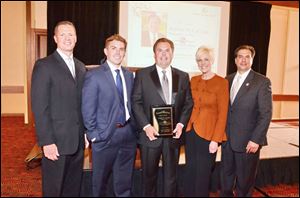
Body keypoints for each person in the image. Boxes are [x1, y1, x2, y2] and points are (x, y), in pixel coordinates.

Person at [31, 21, 87, 197]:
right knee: (54, 190)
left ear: (76, 38)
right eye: (62, 34)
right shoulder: (44, 65)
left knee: (72, 188)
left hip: (77, 141)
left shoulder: (81, 66)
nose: (67, 38)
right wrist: (46, 141)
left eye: (71, 34)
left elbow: (82, 103)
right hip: (55, 142)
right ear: (55, 38)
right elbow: (40, 107)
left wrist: (84, 132)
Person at [132, 38, 194, 197]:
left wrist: (180, 124)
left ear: (172, 53)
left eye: (167, 50)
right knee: (148, 177)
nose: (164, 54)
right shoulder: (142, 74)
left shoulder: (183, 76)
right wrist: (146, 126)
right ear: (154, 54)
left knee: (171, 178)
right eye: (160, 50)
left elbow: (188, 103)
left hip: (173, 135)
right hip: (150, 136)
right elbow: (135, 102)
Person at [82, 34, 137, 197]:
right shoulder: (94, 75)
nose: (118, 52)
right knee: (100, 182)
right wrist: (93, 134)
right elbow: (87, 108)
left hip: (128, 134)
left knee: (124, 182)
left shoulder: (128, 75)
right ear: (106, 51)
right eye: (114, 48)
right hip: (104, 136)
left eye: (121, 49)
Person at [220, 45, 273, 197]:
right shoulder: (227, 80)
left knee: (244, 183)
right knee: (226, 180)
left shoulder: (262, 82)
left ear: (252, 59)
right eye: (240, 57)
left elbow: (266, 114)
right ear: (235, 60)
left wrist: (256, 140)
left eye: (247, 56)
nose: (243, 60)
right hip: (227, 140)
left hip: (248, 143)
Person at [184, 46, 229, 197]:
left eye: (206, 59)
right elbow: (188, 105)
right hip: (191, 132)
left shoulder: (221, 82)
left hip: (209, 135)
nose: (202, 63)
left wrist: (216, 140)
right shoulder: (193, 80)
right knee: (190, 170)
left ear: (212, 60)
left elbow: (223, 114)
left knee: (203, 175)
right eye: (199, 60)